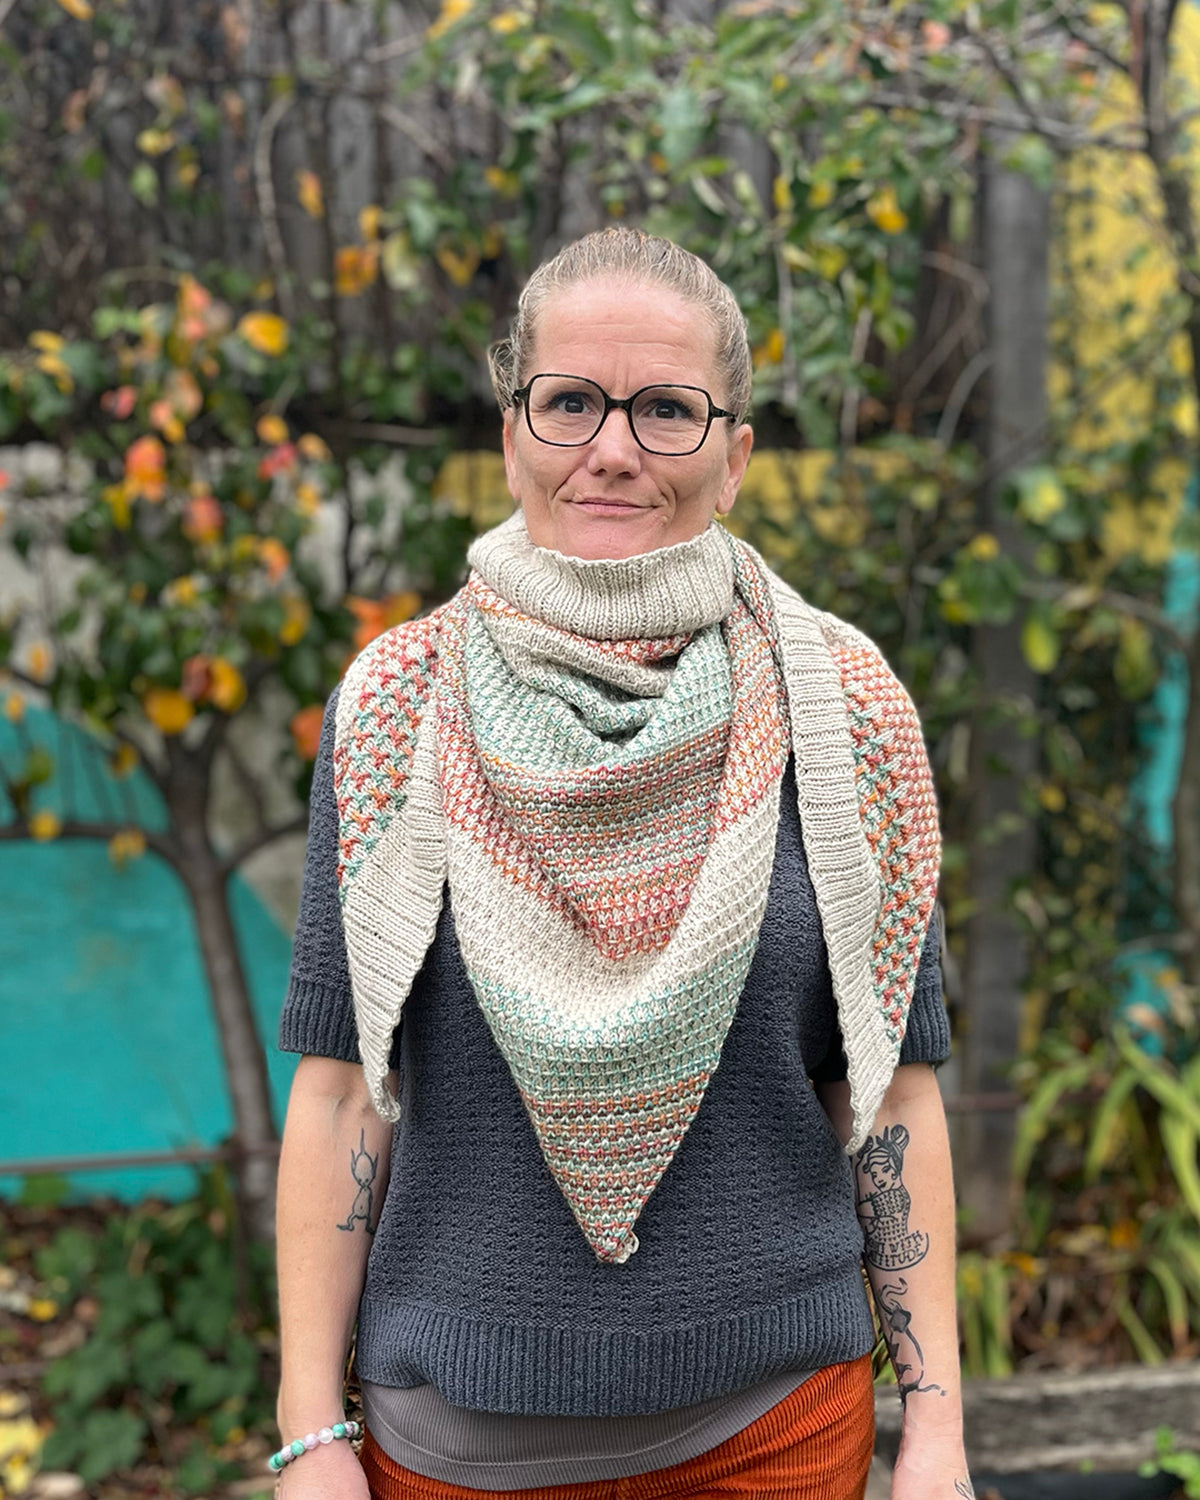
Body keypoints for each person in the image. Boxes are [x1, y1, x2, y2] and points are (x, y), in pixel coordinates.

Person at [273, 227, 972, 1500]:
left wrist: (937, 1433)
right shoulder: (395, 708)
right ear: (512, 434)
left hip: (778, 1439)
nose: (612, 448)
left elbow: (891, 1096)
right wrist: (312, 1436)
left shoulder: (847, 711)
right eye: (570, 403)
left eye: (666, 409)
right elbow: (337, 1098)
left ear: (734, 454)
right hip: (453, 1455)